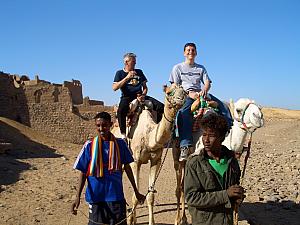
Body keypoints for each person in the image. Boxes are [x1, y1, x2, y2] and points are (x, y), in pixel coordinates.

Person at [71, 111, 145, 225]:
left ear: (110, 125)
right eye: (98, 126)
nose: (101, 128)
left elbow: (128, 168)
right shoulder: (89, 146)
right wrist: (77, 197)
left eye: (104, 125)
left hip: (115, 197)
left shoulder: (120, 144)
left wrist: (136, 191)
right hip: (96, 198)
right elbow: (83, 172)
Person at [169, 42, 233, 161]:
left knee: (223, 106)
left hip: (201, 93)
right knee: (183, 113)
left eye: (193, 50)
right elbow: (175, 85)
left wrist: (204, 90)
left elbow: (207, 82)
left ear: (196, 53)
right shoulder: (177, 68)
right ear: (184, 53)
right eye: (188, 50)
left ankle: (229, 130)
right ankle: (185, 145)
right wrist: (189, 93)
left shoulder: (200, 68)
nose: (190, 52)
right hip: (186, 94)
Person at [184, 113, 244, 225]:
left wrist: (238, 196)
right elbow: (192, 198)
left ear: (222, 137)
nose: (206, 140)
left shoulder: (232, 162)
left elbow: (233, 190)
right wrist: (226, 195)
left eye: (211, 136)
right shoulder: (194, 163)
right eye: (204, 135)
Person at [113, 53, 164, 139]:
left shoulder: (139, 72)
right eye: (133, 62)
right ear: (126, 62)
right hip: (127, 97)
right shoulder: (120, 73)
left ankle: (158, 131)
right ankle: (123, 135)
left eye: (135, 62)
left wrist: (143, 95)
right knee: (121, 110)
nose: (135, 64)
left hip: (141, 96)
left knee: (161, 107)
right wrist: (127, 77)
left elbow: (145, 87)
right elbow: (114, 87)